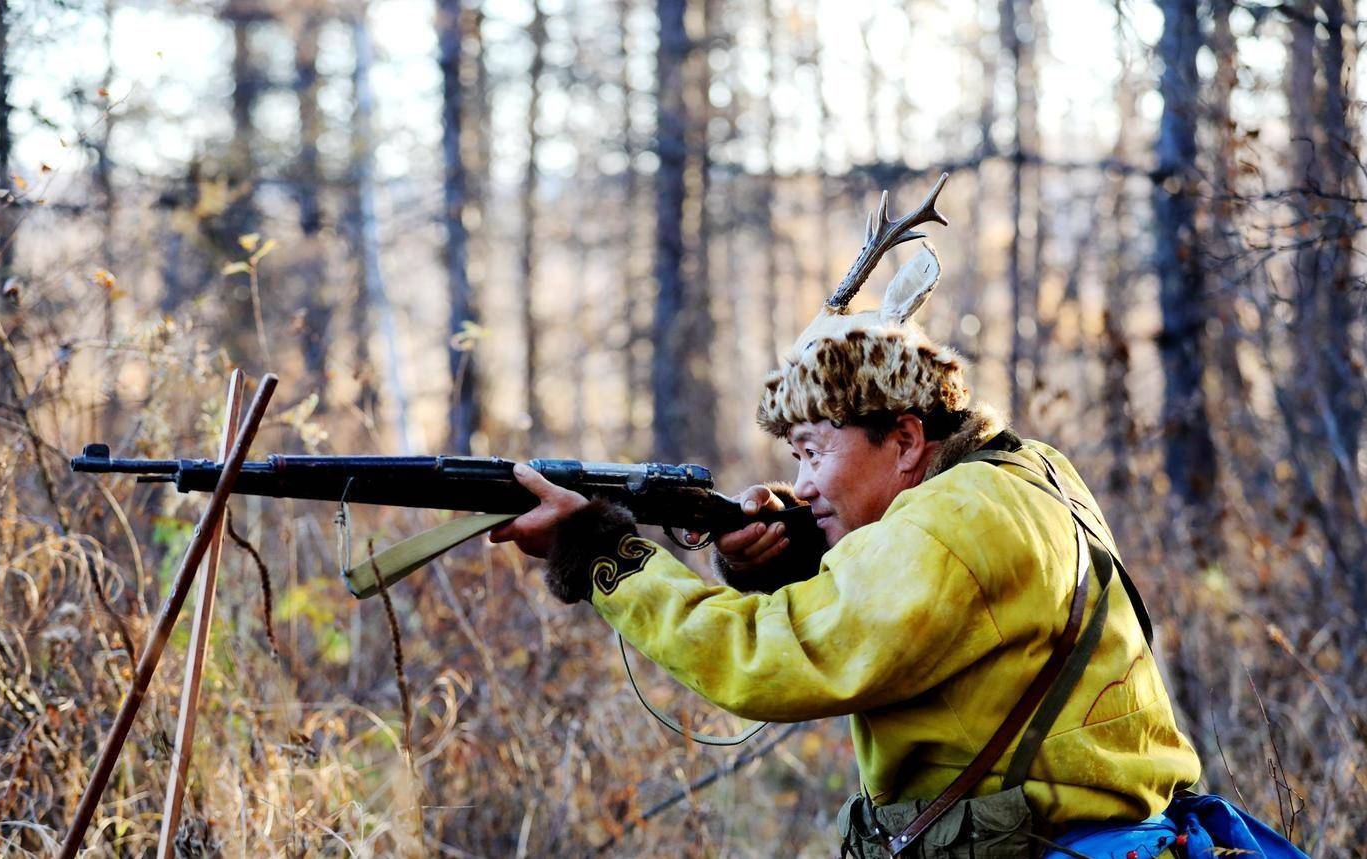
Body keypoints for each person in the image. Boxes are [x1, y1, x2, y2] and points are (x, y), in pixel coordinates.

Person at [489, 181, 1304, 859]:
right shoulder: (1023, 470)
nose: (800, 480)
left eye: (812, 450)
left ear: (906, 438)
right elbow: (949, 613)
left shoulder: (950, 523)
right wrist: (798, 555)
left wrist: (603, 552)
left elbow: (770, 659)